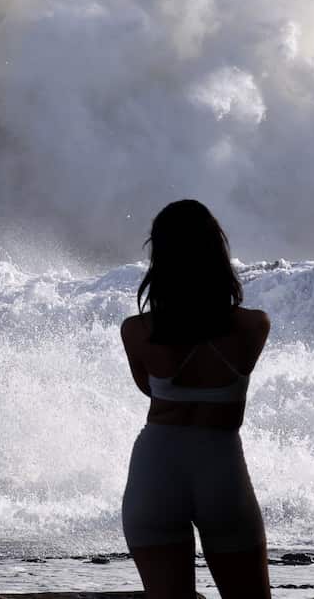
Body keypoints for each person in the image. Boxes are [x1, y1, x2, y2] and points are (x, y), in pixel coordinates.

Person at [120, 200, 272, 598]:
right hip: (221, 470)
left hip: (155, 471)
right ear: (216, 251)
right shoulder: (253, 326)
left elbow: (150, 389)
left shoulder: (137, 331)